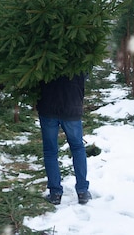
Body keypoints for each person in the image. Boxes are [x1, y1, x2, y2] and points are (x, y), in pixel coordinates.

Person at [36, 72, 92, 205]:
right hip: (72, 107)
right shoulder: (78, 54)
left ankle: (55, 193)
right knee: (77, 148)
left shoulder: (44, 55)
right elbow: (85, 73)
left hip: (48, 106)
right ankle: (82, 191)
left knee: (50, 151)